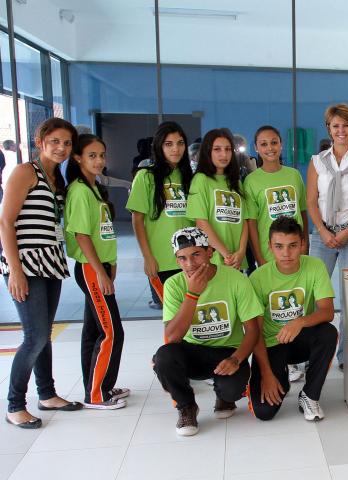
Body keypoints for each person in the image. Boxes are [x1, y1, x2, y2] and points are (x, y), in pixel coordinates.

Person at [1, 118, 82, 428]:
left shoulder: (55, 178)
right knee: (34, 337)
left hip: (49, 262)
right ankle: (14, 404)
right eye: (55, 141)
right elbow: (6, 222)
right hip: (27, 264)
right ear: (40, 141)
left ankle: (47, 394)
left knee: (44, 334)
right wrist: (15, 271)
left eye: (67, 143)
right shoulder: (25, 172)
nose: (61, 148)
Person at [153, 227, 262, 436]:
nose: (190, 264)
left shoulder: (236, 279)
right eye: (182, 258)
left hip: (226, 351)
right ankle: (187, 406)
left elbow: (252, 330)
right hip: (191, 350)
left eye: (196, 255)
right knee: (163, 358)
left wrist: (237, 359)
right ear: (177, 261)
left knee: (232, 388)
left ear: (210, 252)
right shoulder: (174, 285)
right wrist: (192, 294)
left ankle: (224, 397)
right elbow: (172, 336)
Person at [306, 103, 348, 369]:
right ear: (329, 129)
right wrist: (322, 230)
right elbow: (311, 200)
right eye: (336, 126)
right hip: (321, 234)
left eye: (346, 125)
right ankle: (308, 356)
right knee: (314, 297)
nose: (341, 130)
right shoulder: (317, 162)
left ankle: (346, 356)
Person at [249, 217, 337, 421]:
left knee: (328, 333)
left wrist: (299, 321)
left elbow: (327, 311)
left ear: (303, 244)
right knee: (264, 412)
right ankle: (280, 376)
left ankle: (310, 395)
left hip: (300, 338)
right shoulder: (257, 278)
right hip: (271, 343)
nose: (286, 253)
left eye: (292, 246)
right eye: (279, 246)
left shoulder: (315, 266)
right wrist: (268, 374)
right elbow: (255, 333)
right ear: (270, 246)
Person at [64, 134, 129, 410]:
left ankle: (99, 384)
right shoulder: (79, 190)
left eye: (102, 155)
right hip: (91, 268)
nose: (99, 160)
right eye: (92, 155)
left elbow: (102, 232)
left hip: (100, 266)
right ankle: (97, 395)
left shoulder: (94, 188)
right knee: (112, 331)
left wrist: (110, 265)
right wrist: (100, 273)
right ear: (78, 158)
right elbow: (81, 235)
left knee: (94, 331)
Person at [127, 121, 194, 310]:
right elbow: (137, 220)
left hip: (190, 260)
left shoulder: (190, 178)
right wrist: (148, 257)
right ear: (159, 146)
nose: (175, 149)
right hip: (162, 260)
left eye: (180, 143)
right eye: (169, 144)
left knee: (193, 317)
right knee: (172, 319)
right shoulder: (146, 177)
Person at [244, 125, 308, 267]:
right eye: (264, 144)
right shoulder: (251, 181)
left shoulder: (294, 175)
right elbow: (252, 224)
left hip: (295, 249)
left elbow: (302, 213)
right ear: (256, 148)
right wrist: (259, 257)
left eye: (274, 142)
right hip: (268, 255)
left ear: (281, 144)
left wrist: (305, 246)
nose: (270, 148)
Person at [187, 128, 251, 271]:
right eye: (217, 149)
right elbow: (201, 222)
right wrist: (226, 254)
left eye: (228, 149)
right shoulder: (201, 180)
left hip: (237, 261)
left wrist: (241, 252)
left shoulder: (236, 182)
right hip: (214, 259)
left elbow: (244, 221)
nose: (224, 154)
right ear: (207, 152)